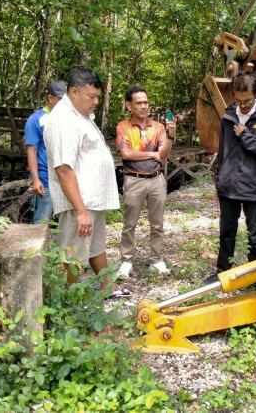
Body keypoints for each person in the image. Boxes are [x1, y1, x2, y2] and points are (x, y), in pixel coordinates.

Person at [44, 68, 130, 297]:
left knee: (94, 246)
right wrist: (81, 211)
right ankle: (68, 300)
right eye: (91, 97)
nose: (95, 102)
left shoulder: (79, 116)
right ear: (73, 92)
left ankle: (107, 286)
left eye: (98, 97)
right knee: (73, 253)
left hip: (90, 199)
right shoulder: (63, 120)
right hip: (78, 202)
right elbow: (63, 169)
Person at [205, 71, 256, 289]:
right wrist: (219, 181)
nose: (243, 106)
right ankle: (222, 274)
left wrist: (246, 136)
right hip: (228, 185)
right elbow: (223, 151)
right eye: (238, 101)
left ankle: (255, 280)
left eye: (247, 101)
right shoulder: (229, 115)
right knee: (226, 233)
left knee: (255, 237)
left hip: (254, 188)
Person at [115, 86, 177, 279]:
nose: (143, 106)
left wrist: (171, 135)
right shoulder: (123, 126)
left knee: (157, 223)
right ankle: (126, 261)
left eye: (146, 102)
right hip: (134, 179)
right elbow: (126, 154)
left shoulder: (158, 127)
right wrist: (152, 154)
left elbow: (164, 155)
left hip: (157, 179)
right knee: (129, 223)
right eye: (138, 103)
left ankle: (156, 260)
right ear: (129, 105)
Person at [24, 80, 66, 224]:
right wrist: (35, 179)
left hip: (66, 179)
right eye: (60, 99)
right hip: (45, 179)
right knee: (41, 224)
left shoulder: (68, 120)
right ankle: (38, 247)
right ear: (50, 97)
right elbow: (31, 150)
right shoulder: (36, 119)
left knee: (67, 224)